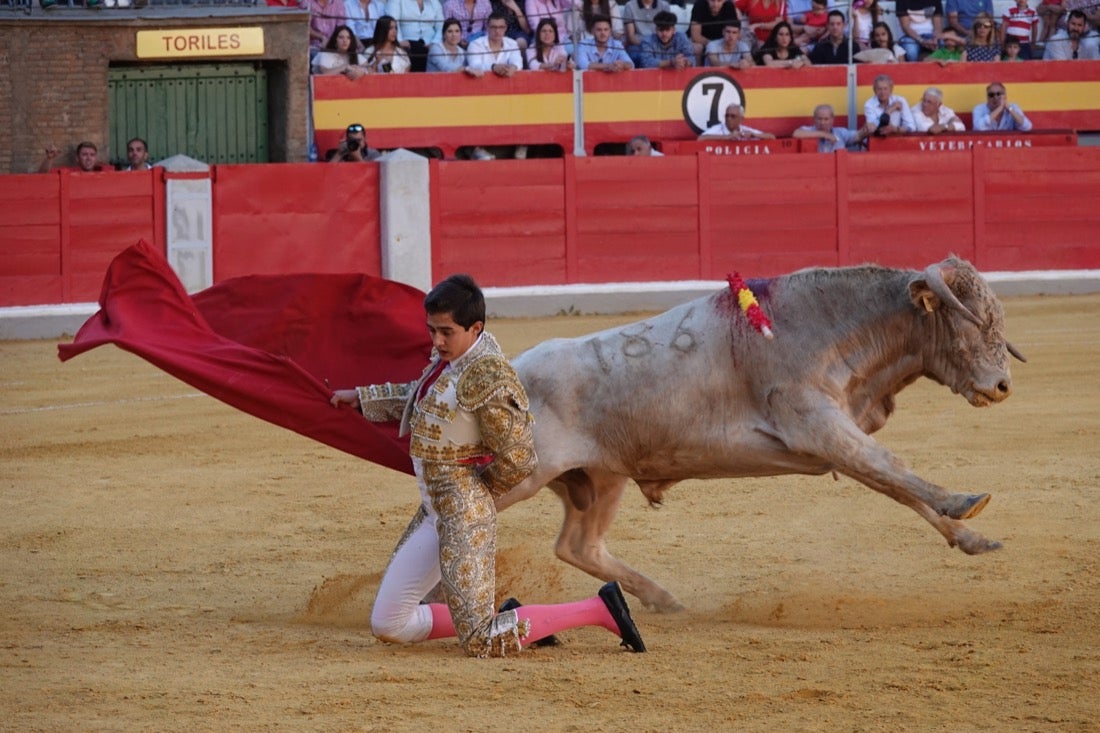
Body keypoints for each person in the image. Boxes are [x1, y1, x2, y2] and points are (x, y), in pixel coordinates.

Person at [329, 275, 647, 658]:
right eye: (432, 331)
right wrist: (363, 399)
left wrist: (476, 494)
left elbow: (518, 455)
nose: (437, 341)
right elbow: (424, 401)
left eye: (446, 332)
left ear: (475, 328)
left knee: (481, 640)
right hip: (436, 510)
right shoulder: (450, 361)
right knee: (389, 623)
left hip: (461, 511)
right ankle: (510, 618)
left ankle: (598, 610)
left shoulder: (490, 378)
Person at [385, 0, 445, 72]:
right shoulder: (396, 1)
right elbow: (392, 22)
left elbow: (441, 26)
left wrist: (435, 43)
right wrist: (399, 41)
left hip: (430, 44)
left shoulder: (434, 2)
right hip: (408, 44)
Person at [792, 103, 874, 152]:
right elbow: (796, 133)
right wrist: (823, 134)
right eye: (819, 119)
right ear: (814, 119)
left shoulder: (840, 133)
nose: (822, 122)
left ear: (832, 120)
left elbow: (858, 136)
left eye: (826, 119)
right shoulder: (809, 130)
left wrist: (866, 130)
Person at [623, 0, 672, 64]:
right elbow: (631, 37)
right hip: (639, 45)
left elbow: (667, 31)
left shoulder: (664, 5)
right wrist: (648, 46)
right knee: (636, 56)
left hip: (660, 43)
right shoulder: (630, 6)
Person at [698, 103, 777, 140]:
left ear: (741, 119)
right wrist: (726, 137)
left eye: (733, 116)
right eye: (727, 116)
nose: (729, 119)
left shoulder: (745, 130)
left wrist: (754, 135)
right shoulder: (718, 129)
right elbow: (701, 139)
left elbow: (772, 137)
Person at [38, 141, 111, 173]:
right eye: (84, 154)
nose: (89, 158)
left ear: (96, 158)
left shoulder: (105, 174)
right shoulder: (69, 174)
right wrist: (49, 158)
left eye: (92, 155)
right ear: (77, 158)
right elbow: (42, 177)